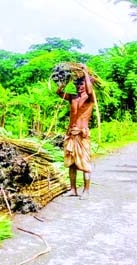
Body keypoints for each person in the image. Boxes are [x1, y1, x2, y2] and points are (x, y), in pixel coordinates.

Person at [56, 64, 95, 200]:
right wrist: (62, 84)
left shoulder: (90, 99)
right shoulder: (72, 97)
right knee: (71, 164)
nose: (79, 86)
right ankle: (73, 189)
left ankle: (86, 190)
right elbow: (59, 93)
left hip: (82, 135)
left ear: (87, 84)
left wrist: (85, 73)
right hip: (71, 134)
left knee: (84, 164)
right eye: (77, 83)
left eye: (82, 83)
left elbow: (90, 92)